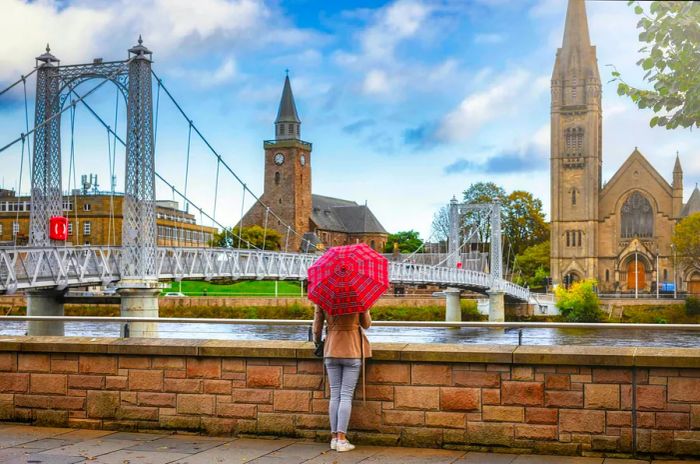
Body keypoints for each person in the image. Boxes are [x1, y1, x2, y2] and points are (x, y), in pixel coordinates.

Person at [312, 305, 371, 452]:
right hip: (352, 349)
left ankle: (334, 438)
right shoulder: (358, 298)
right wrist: (366, 309)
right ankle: (342, 439)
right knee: (345, 396)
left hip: (331, 349)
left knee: (334, 394)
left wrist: (317, 342)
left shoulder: (324, 297)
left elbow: (317, 328)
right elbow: (366, 324)